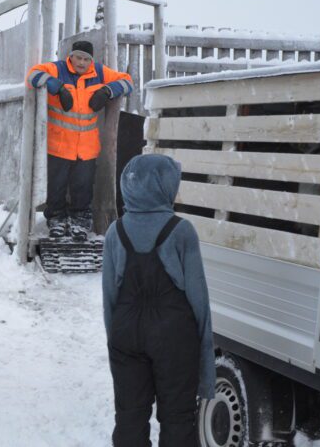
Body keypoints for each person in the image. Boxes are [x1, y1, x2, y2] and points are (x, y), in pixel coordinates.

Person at [101, 154, 215, 447]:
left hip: (126, 333)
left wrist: (117, 342)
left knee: (129, 417)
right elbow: (199, 301)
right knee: (178, 419)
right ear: (161, 186)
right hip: (174, 335)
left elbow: (109, 299)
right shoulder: (182, 231)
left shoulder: (116, 230)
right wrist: (205, 371)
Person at [26, 40, 134, 240]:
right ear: (71, 56)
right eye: (79, 58)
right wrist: (57, 87)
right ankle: (56, 220)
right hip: (58, 144)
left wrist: (106, 91)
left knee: (82, 187)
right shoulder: (57, 69)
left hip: (87, 147)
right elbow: (32, 75)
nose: (82, 63)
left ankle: (80, 221)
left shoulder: (99, 73)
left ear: (91, 60)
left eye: (86, 59)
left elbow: (128, 82)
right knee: (56, 187)